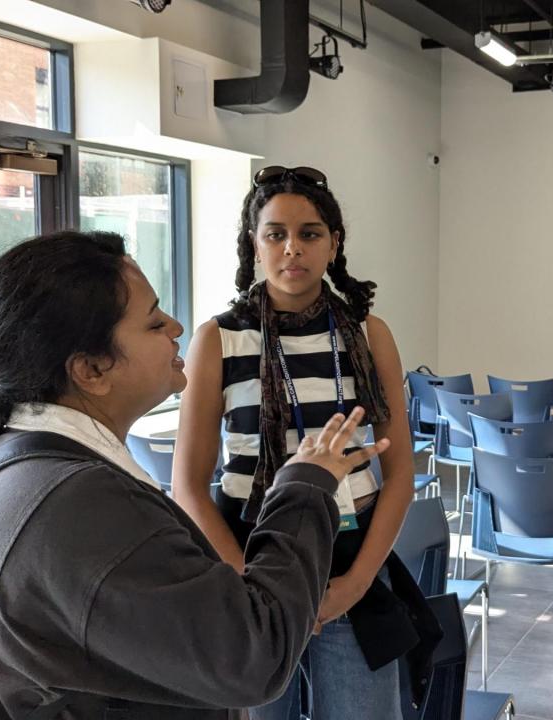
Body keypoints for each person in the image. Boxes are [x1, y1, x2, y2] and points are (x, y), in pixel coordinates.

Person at [0, 230, 386, 718]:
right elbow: (252, 656)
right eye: (155, 322)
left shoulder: (32, 470)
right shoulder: (84, 507)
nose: (177, 327)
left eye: (310, 233)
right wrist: (304, 485)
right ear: (91, 369)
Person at [173, 165, 427, 720]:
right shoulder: (218, 339)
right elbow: (188, 487)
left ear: (334, 244)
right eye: (276, 234)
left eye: (309, 234)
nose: (292, 248)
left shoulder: (369, 335)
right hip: (246, 559)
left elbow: (400, 476)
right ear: (254, 244)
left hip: (350, 558)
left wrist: (355, 585)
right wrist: (253, 585)